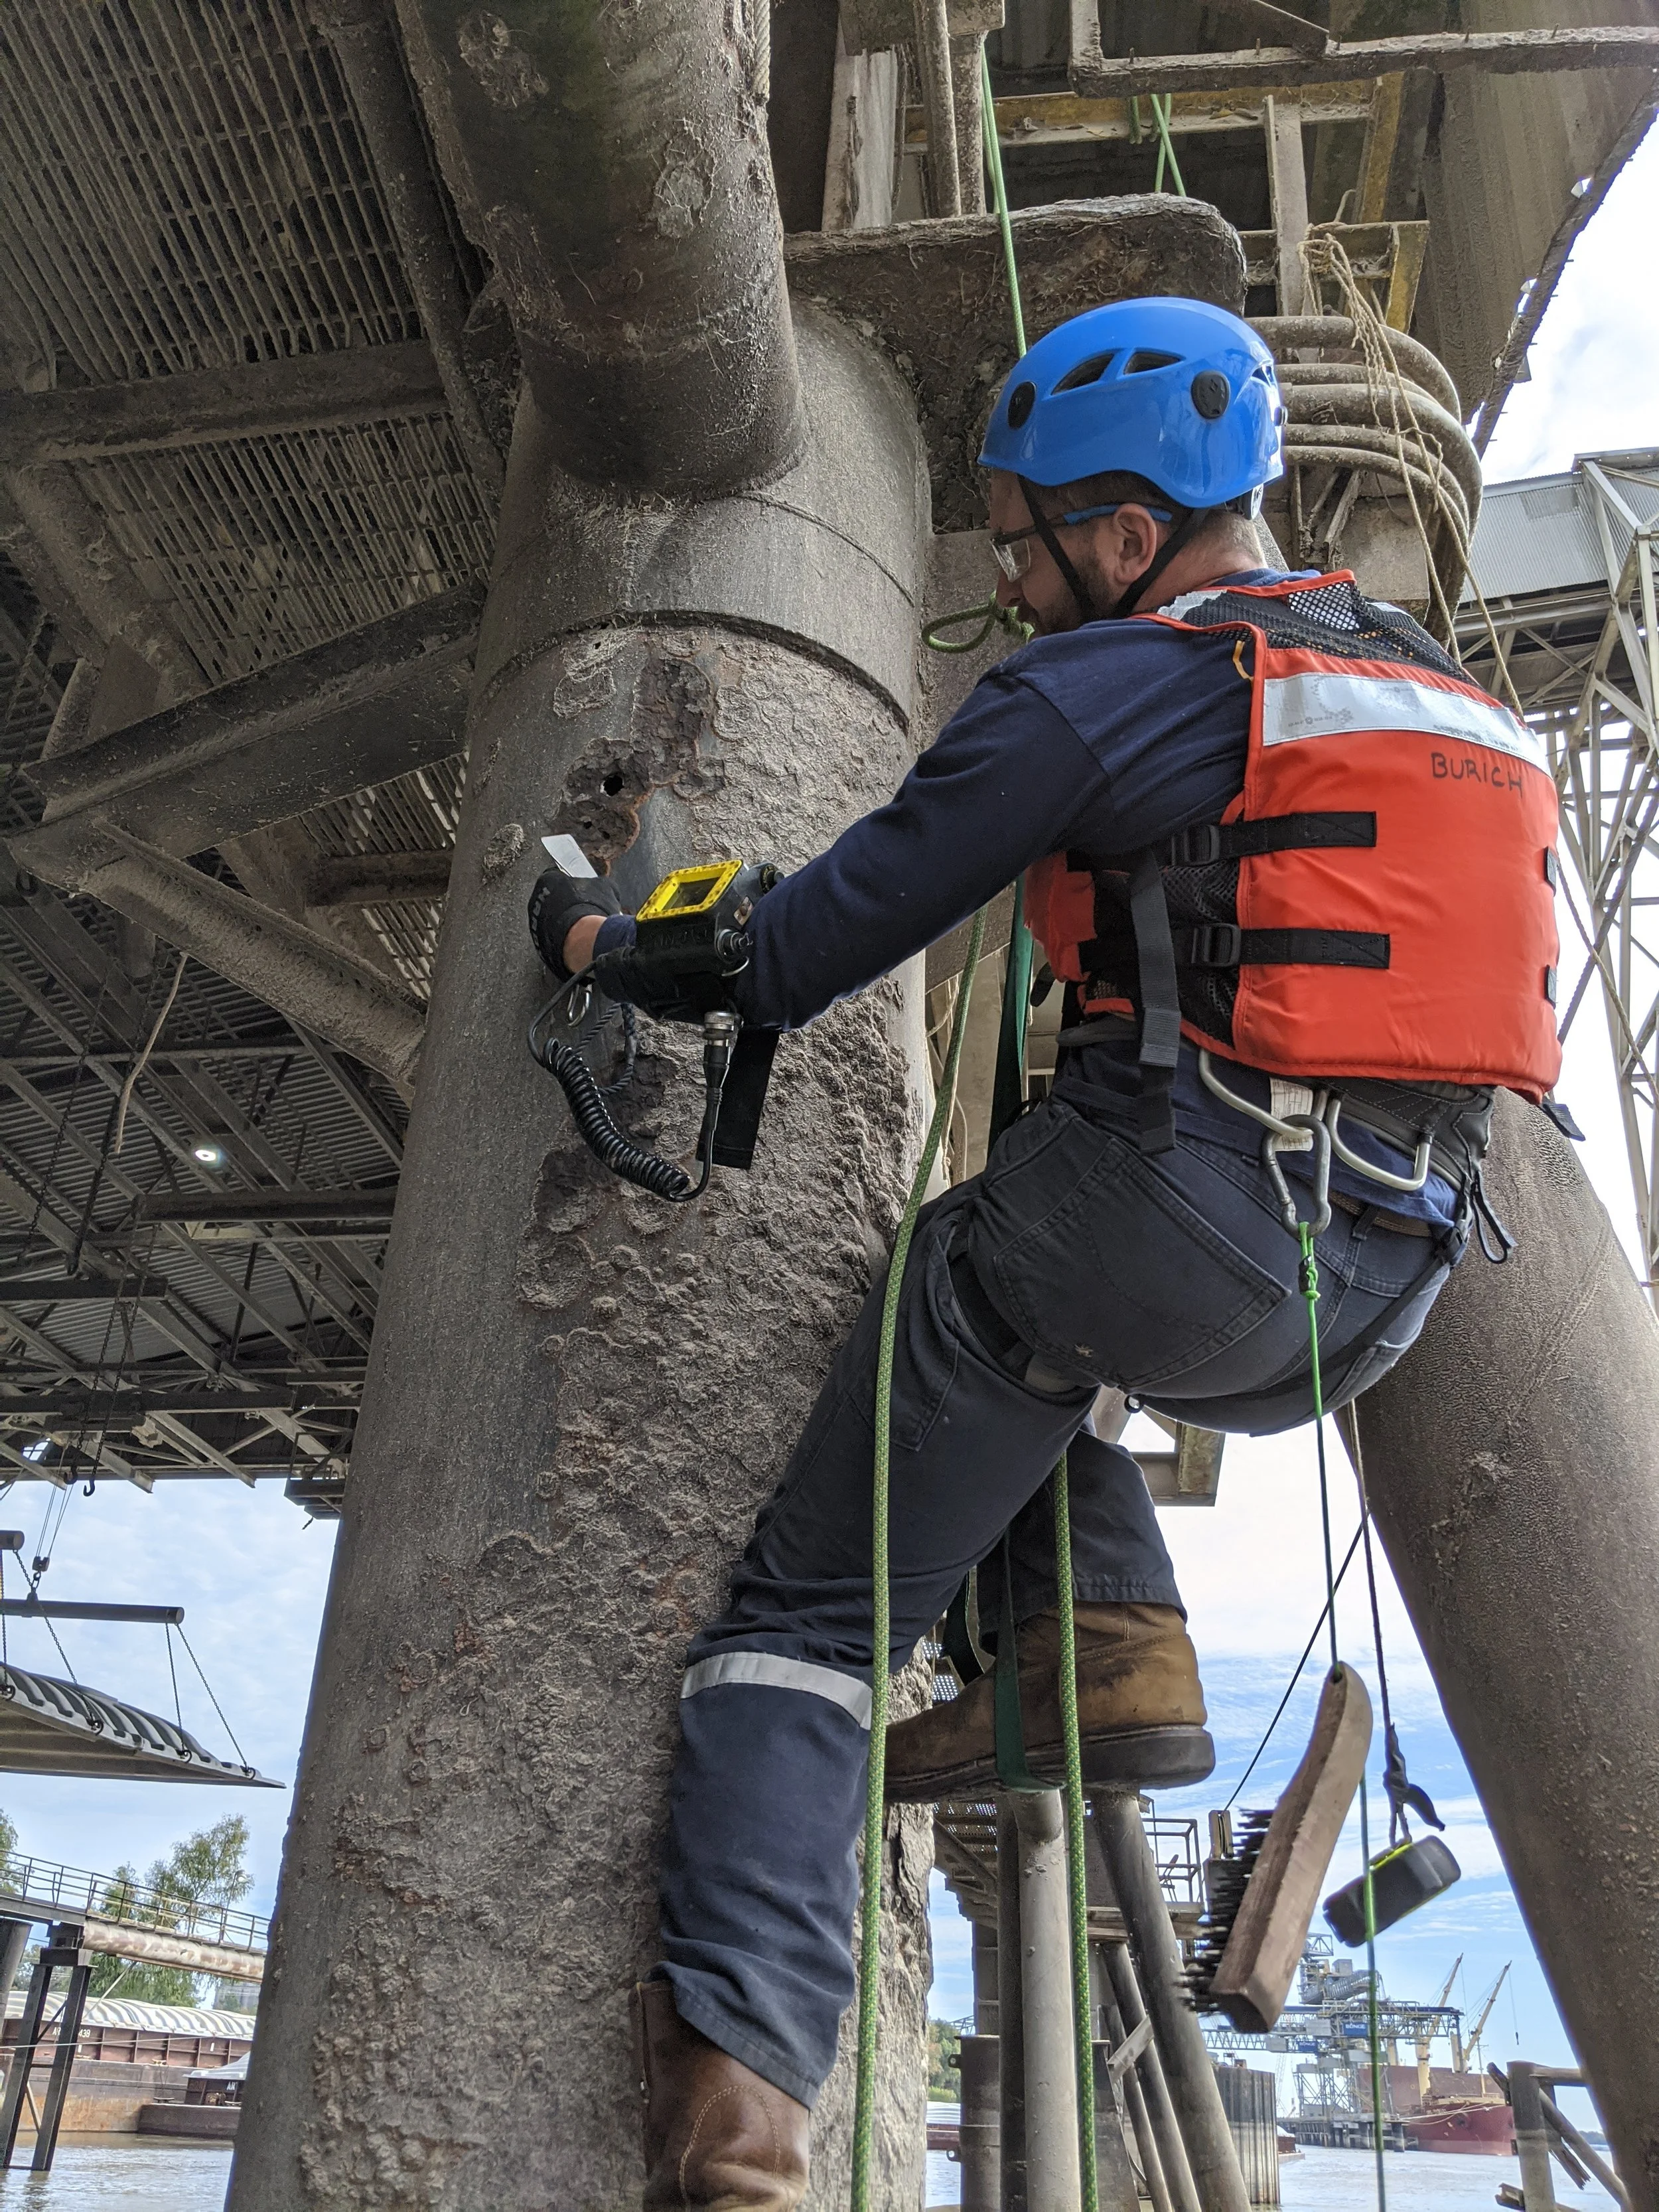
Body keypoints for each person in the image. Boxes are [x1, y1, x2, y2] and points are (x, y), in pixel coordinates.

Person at [529, 296, 1561, 2211]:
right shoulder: (1428, 686)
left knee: (810, 1608)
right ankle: (1111, 1649)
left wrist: (597, 941)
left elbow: (788, 953)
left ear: (1115, 534)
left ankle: (741, 2156)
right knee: (1013, 1344)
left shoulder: (1100, 683)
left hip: (1168, 1225)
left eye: (1012, 541)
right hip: (1380, 1292)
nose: (1001, 582)